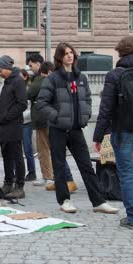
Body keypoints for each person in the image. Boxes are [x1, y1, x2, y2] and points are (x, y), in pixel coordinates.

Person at [37, 42, 118, 214]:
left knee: (86, 166)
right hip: (58, 130)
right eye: (66, 53)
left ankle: (98, 202)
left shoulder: (81, 77)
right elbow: (42, 103)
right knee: (59, 167)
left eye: (71, 53)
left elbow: (87, 99)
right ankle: (65, 200)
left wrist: (86, 114)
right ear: (60, 57)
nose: (69, 56)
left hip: (76, 130)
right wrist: (56, 117)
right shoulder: (53, 78)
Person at [93, 36, 133, 229]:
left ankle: (132, 218)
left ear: (120, 52)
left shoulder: (115, 75)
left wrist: (98, 136)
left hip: (122, 130)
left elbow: (106, 108)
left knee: (126, 174)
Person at [35, 62, 77, 193]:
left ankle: (69, 180)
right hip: (53, 121)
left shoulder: (62, 81)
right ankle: (60, 181)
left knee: (59, 152)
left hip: (61, 122)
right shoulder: (54, 82)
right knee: (55, 153)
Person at [0, 55, 27, 199]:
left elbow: (22, 104)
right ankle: (8, 182)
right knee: (6, 156)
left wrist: (7, 116)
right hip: (4, 128)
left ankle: (19, 186)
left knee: (17, 156)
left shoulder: (18, 81)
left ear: (7, 68)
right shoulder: (8, 81)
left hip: (12, 126)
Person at [20, 68, 37, 182]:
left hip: (26, 121)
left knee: (27, 148)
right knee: (20, 149)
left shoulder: (29, 89)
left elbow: (29, 108)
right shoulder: (18, 88)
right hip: (18, 122)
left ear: (25, 77)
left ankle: (32, 172)